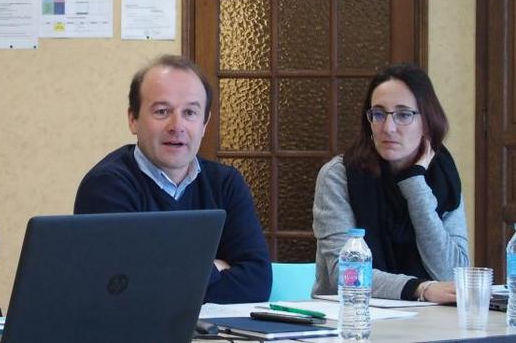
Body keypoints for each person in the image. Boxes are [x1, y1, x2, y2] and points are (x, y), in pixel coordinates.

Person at [74, 55, 272, 303]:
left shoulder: (225, 183)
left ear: (204, 124)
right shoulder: (106, 186)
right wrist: (215, 267)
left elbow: (257, 283)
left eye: (190, 112)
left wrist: (167, 274)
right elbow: (124, 292)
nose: (177, 125)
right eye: (162, 111)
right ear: (133, 119)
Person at [312, 63, 469, 303]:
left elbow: (452, 274)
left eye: (403, 115)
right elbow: (345, 274)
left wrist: (415, 183)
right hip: (350, 313)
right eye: (378, 114)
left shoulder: (444, 177)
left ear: (427, 122)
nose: (388, 128)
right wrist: (420, 289)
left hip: (428, 317)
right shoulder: (339, 175)